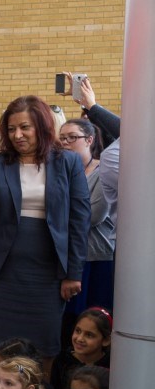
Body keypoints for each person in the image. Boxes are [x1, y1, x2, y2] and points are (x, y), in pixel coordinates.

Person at [0, 95, 90, 363]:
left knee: (44, 348)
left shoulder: (68, 162)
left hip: (47, 272)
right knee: (1, 349)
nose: (18, 135)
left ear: (42, 127)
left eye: (25, 128)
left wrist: (73, 273)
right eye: (11, 129)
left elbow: (79, 219)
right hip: (1, 270)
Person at [59, 119, 114, 326]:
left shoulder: (103, 171)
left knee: (95, 320)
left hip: (97, 257)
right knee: (69, 322)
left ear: (89, 140)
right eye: (62, 138)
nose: (65, 142)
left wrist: (58, 216)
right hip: (67, 258)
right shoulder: (59, 172)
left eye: (72, 137)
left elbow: (92, 216)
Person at [49, 307, 112, 389]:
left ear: (106, 340)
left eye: (89, 335)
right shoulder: (62, 361)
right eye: (78, 331)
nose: (79, 338)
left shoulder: (111, 364)